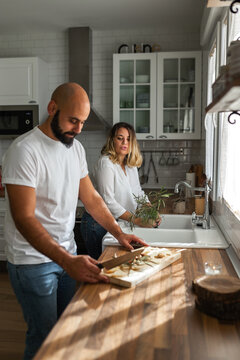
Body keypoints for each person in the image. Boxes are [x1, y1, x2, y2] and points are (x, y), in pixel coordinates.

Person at [2, 83, 147, 360]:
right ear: (52, 108)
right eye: (73, 120)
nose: (78, 128)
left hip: (66, 255)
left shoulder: (75, 149)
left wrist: (119, 234)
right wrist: (68, 261)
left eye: (83, 122)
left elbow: (91, 199)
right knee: (44, 340)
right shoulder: (24, 151)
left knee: (66, 333)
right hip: (32, 263)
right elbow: (23, 219)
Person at [81, 122, 160, 259]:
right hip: (97, 224)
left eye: (128, 139)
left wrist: (150, 210)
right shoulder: (106, 163)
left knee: (113, 264)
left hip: (117, 222)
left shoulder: (130, 165)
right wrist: (137, 220)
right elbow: (108, 201)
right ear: (112, 140)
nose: (125, 142)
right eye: (120, 138)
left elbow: (138, 192)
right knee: (101, 267)